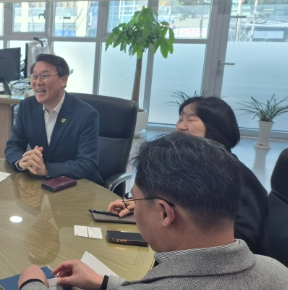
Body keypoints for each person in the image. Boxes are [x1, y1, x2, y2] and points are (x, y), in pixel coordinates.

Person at [17, 132, 288, 290]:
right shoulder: (279, 274)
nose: (133, 209)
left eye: (135, 199)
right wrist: (105, 282)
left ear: (164, 213)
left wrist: (32, 287)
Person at [107, 96, 268, 253]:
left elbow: (243, 235)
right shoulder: (194, 168)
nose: (181, 127)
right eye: (180, 119)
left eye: (191, 120)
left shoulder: (233, 174)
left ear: (216, 127)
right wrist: (147, 206)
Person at [5, 54, 103, 184]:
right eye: (34, 76)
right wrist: (21, 162)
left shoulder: (86, 115)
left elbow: (87, 164)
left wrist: (46, 169)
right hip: (38, 184)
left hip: (76, 186)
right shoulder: (26, 107)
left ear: (63, 80)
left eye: (44, 76)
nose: (38, 82)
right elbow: (14, 145)